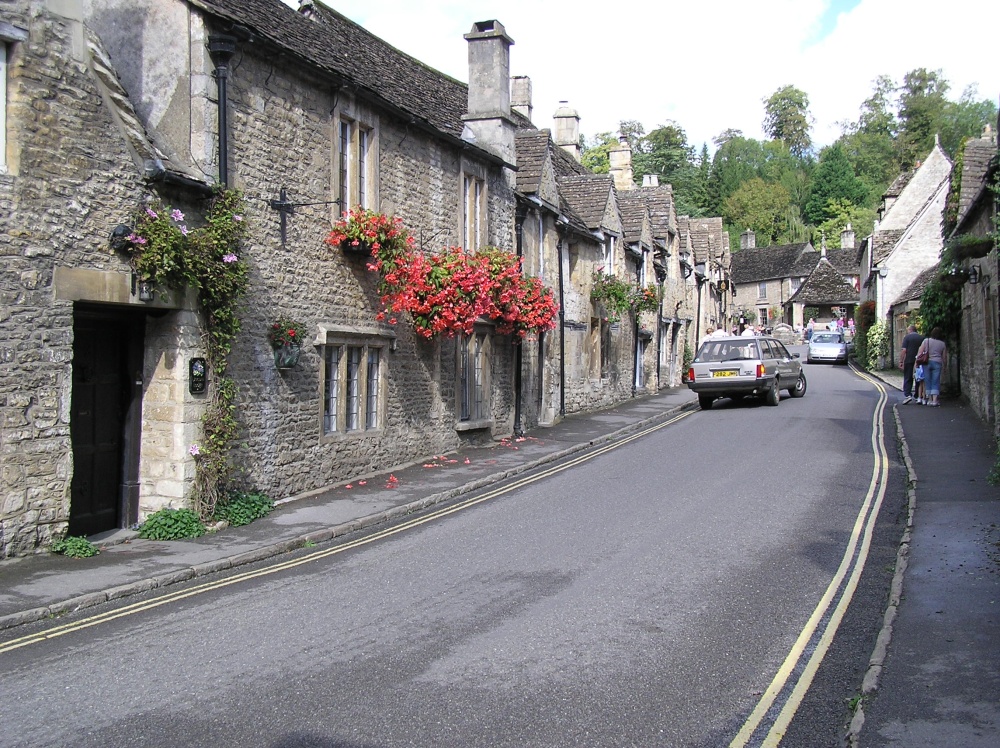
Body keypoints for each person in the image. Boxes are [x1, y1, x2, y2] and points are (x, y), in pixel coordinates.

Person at [920, 327, 948, 407]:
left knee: (928, 380)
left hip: (927, 362)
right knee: (936, 381)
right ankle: (935, 401)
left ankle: (929, 400)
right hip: (937, 362)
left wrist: (917, 363)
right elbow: (944, 357)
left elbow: (921, 352)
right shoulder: (942, 344)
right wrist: (945, 366)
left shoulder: (926, 341)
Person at [899, 324, 925, 404]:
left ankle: (908, 395)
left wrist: (901, 361)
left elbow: (904, 350)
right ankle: (917, 396)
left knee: (908, 377)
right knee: (918, 378)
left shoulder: (907, 337)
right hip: (919, 360)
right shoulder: (922, 338)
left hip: (909, 360)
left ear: (910, 330)